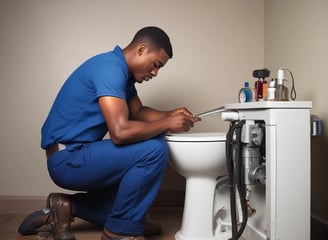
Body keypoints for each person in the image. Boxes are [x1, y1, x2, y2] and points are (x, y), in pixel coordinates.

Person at [18, 26, 200, 240]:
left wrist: (171, 114)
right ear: (141, 49)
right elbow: (120, 132)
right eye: (156, 65)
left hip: (77, 154)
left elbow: (138, 112)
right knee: (154, 148)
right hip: (68, 159)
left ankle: (66, 206)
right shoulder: (110, 69)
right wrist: (168, 123)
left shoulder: (122, 74)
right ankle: (119, 233)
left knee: (127, 209)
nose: (155, 73)